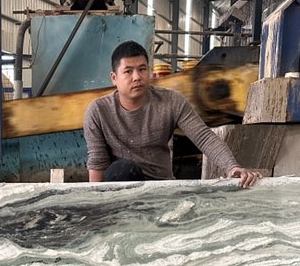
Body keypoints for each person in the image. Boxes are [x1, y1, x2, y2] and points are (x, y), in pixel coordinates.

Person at [83, 40, 262, 188]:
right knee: (122, 169)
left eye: (142, 69)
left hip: (161, 188)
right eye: (128, 71)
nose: (137, 77)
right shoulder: (98, 111)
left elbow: (204, 137)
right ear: (114, 78)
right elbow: (97, 162)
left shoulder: (170, 101)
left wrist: (232, 167)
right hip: (122, 190)